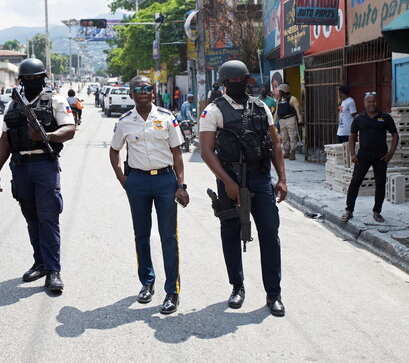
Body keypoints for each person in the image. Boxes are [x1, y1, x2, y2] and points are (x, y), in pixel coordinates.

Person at [199, 60, 288, 317]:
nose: (240, 86)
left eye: (243, 81)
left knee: (270, 233)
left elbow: (276, 144)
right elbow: (206, 151)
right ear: (224, 84)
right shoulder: (213, 110)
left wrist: (281, 179)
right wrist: (228, 182)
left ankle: (274, 294)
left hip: (260, 178)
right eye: (234, 82)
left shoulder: (261, 107)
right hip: (229, 176)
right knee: (231, 232)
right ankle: (237, 287)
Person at [0, 58, 76, 294]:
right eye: (26, 79)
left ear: (43, 78)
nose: (30, 82)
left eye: (35, 78)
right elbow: (5, 140)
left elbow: (70, 129)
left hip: (44, 165)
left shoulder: (55, 100)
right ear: (20, 80)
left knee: (48, 217)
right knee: (31, 218)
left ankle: (53, 270)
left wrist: (46, 137)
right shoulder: (13, 105)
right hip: (20, 167)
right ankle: (40, 262)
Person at [109, 75, 188, 315]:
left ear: (152, 93)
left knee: (168, 237)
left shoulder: (166, 118)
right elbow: (114, 152)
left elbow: (177, 154)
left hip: (165, 181)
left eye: (147, 88)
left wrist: (181, 185)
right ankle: (147, 283)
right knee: (141, 235)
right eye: (138, 89)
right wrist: (124, 180)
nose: (143, 92)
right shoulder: (124, 122)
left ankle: (171, 291)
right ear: (131, 94)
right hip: (138, 182)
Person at [341, 92, 398, 223]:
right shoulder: (359, 118)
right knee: (355, 182)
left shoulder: (385, 118)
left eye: (373, 101)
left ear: (377, 102)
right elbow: (352, 136)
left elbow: (395, 134)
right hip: (363, 155)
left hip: (381, 156)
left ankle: (377, 212)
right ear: (364, 103)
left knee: (380, 184)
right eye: (369, 101)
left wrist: (390, 153)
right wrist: (353, 154)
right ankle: (349, 210)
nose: (371, 104)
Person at [274, 84, 302, 160]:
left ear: (284, 91)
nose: (279, 93)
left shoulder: (292, 99)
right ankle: (287, 152)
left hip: (290, 119)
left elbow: (297, 109)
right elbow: (277, 112)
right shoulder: (279, 100)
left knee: (292, 136)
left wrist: (300, 119)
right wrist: (273, 122)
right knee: (284, 137)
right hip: (282, 120)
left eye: (280, 91)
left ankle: (292, 153)